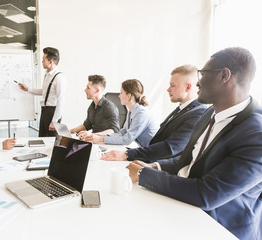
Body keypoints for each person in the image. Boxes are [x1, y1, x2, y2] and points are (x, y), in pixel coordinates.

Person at [127, 47, 262, 240]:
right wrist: (155, 166)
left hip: (217, 227)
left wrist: (144, 174)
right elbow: (190, 161)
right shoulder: (210, 112)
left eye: (203, 73)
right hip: (184, 206)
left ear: (224, 75)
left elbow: (207, 194)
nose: (197, 82)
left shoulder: (256, 135)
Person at [101, 65, 207, 162]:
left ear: (188, 87)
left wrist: (127, 154)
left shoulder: (198, 112)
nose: (168, 89)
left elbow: (171, 148)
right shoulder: (181, 109)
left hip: (161, 165)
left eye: (173, 85)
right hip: (151, 157)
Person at [83, 79, 158, 147]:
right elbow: (122, 132)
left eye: (121, 93)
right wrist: (97, 136)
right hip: (145, 151)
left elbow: (127, 139)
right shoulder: (131, 111)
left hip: (153, 154)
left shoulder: (141, 113)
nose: (119, 96)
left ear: (129, 96)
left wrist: (100, 138)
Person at [18, 47, 67, 137]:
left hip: (53, 112)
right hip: (44, 111)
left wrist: (54, 121)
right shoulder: (47, 75)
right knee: (42, 138)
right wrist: (28, 89)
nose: (42, 61)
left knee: (53, 141)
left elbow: (61, 101)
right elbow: (44, 91)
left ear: (51, 61)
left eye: (43, 59)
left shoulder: (59, 77)